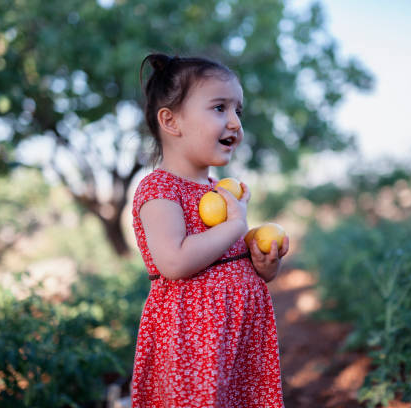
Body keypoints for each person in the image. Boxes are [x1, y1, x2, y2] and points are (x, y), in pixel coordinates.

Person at [131, 53, 289, 408]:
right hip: (194, 342)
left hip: (238, 341)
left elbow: (228, 258)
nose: (234, 122)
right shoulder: (160, 191)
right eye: (220, 108)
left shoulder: (221, 190)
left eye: (238, 111)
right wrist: (236, 225)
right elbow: (174, 261)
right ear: (171, 121)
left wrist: (263, 263)